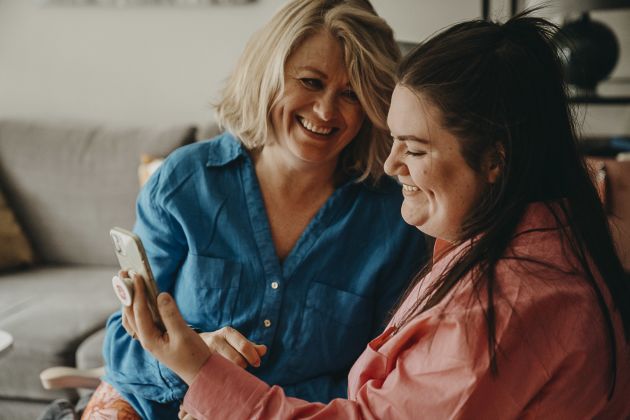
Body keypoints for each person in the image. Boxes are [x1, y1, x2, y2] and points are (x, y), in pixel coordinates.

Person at [127, 11, 630, 419]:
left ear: (496, 159)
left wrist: (205, 374)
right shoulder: (501, 246)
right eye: (310, 81)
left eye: (412, 148)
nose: (392, 166)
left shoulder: (497, 306)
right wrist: (186, 368)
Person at [89, 0, 427, 419]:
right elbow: (124, 344)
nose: (325, 111)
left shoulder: (394, 218)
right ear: (268, 74)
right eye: (310, 81)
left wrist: (240, 399)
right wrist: (195, 361)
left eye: (350, 95)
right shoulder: (186, 182)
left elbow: (384, 374)